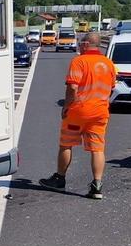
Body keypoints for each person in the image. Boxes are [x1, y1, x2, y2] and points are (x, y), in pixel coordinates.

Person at [39, 32, 117, 199]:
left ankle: (60, 179)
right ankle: (97, 185)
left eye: (82, 43)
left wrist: (66, 106)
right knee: (97, 148)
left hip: (78, 111)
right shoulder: (109, 63)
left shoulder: (79, 61)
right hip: (100, 113)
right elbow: (111, 87)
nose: (80, 46)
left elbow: (73, 87)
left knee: (66, 144)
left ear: (87, 44)